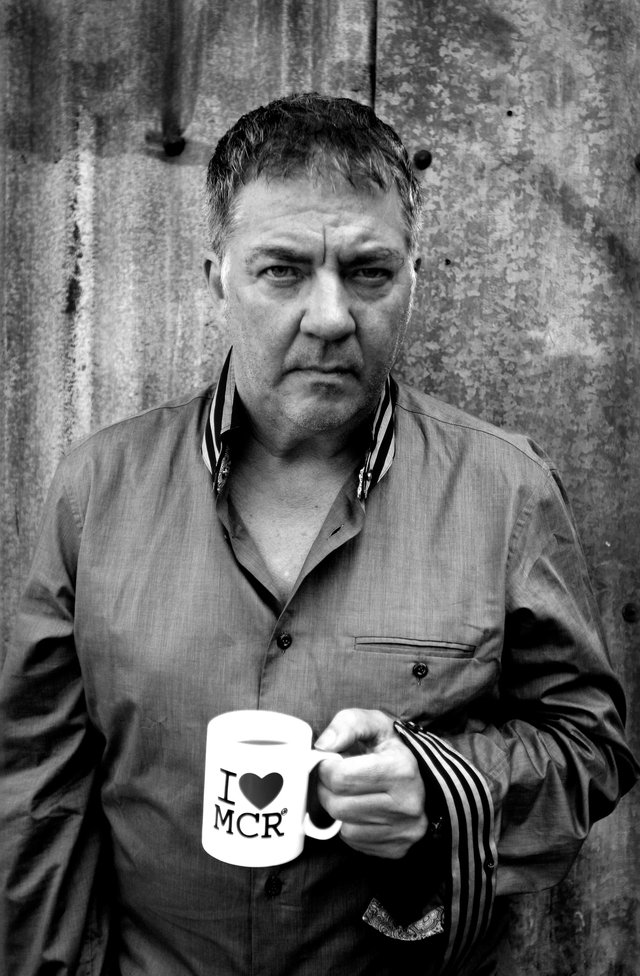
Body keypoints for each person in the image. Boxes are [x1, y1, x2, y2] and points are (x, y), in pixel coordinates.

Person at [0, 92, 637, 976]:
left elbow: (590, 747)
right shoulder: (96, 490)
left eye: (369, 272)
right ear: (217, 276)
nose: (332, 316)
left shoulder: (507, 492)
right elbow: (39, 790)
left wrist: (443, 788)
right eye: (284, 270)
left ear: (415, 278)